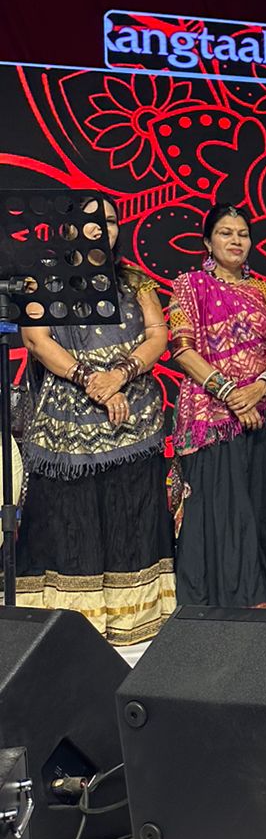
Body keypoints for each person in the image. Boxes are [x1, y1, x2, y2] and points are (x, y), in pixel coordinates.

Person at [16, 198, 174, 644]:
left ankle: (133, 619)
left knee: (131, 514)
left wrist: (120, 374)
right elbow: (35, 337)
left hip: (132, 414)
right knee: (72, 516)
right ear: (68, 229)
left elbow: (158, 333)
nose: (103, 228)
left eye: (110, 220)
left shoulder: (134, 279)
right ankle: (72, 627)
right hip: (69, 417)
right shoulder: (44, 277)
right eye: (92, 220)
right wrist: (89, 379)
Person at [168, 204, 266, 609]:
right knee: (224, 513)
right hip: (212, 418)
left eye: (242, 233)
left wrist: (260, 388)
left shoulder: (264, 291)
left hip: (264, 413)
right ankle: (225, 606)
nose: (236, 241)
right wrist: (229, 392)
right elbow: (181, 348)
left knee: (265, 507)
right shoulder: (189, 285)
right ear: (208, 242)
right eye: (226, 233)